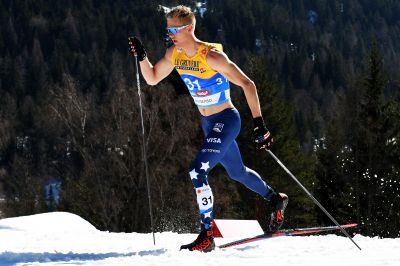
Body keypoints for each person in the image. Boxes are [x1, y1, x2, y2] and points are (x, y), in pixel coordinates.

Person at [128, 5, 288, 252]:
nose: (170, 33)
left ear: (189, 28)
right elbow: (151, 78)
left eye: (174, 29)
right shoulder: (175, 53)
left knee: (196, 171)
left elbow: (248, 84)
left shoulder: (212, 56)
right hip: (209, 123)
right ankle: (275, 199)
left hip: (227, 119)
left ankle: (207, 235)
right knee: (237, 172)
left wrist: (259, 125)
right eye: (168, 28)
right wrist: (142, 57)